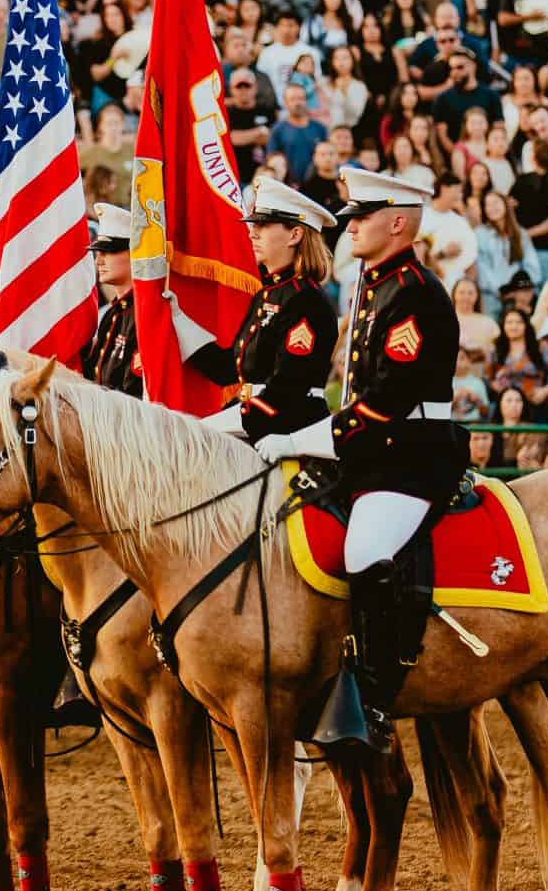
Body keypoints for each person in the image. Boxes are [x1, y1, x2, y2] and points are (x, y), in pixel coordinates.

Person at [258, 165, 460, 744]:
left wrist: (299, 440)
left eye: (362, 216)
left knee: (365, 549)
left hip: (409, 452)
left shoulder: (415, 292)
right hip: (372, 449)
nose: (350, 225)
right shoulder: (376, 285)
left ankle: (373, 695)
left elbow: (384, 404)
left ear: (398, 223)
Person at [191, 177, 338, 438]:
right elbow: (228, 368)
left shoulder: (307, 300)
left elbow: (287, 387)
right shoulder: (267, 295)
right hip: (258, 418)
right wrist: (177, 321)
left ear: (295, 234)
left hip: (290, 428)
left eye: (264, 225)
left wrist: (210, 428)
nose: (252, 232)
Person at [81, 204, 140, 395]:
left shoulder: (141, 313)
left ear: (134, 253)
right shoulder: (114, 313)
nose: (99, 261)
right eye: (98, 253)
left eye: (109, 252)